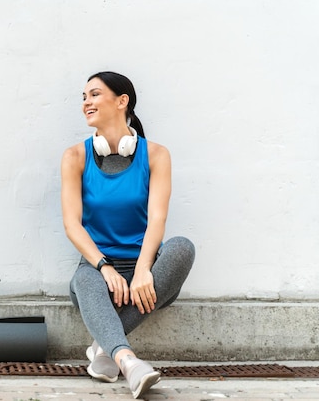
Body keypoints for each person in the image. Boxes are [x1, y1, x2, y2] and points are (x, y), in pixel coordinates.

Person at [61, 71, 195, 398]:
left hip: (145, 276)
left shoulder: (156, 155)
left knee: (182, 247)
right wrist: (104, 266)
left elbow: (157, 220)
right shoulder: (75, 157)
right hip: (99, 270)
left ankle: (104, 348)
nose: (86, 103)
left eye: (94, 94)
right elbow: (72, 225)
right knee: (84, 279)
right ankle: (129, 361)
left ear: (122, 101)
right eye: (83, 97)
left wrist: (143, 270)